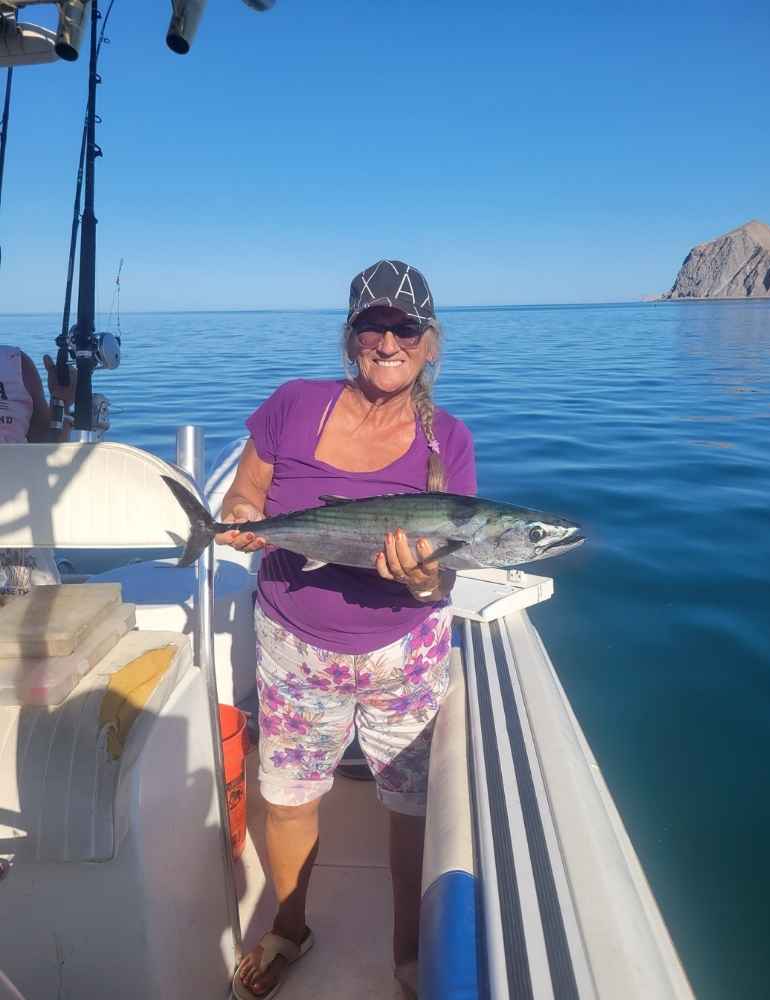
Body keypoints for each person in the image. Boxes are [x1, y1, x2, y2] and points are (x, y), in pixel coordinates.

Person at [223, 260, 477, 1000]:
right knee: (290, 796)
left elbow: (447, 569)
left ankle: (406, 954)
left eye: (407, 327)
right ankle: (289, 926)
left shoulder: (445, 442)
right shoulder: (292, 406)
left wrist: (425, 577)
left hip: (405, 654)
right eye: (373, 324)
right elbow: (247, 492)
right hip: (294, 646)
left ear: (430, 343)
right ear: (350, 337)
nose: (388, 340)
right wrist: (242, 520)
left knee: (407, 809)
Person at [0, 346, 76, 601]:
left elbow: (47, 448)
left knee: (37, 614)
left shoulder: (16, 363)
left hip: (19, 523)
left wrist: (61, 402)